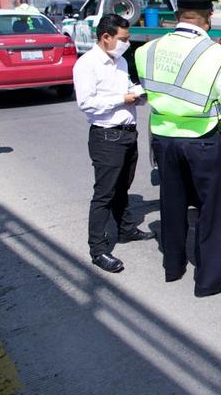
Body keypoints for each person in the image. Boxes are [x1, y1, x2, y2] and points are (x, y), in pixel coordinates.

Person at [135, 0, 221, 297]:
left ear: (176, 15)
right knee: (212, 213)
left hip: (163, 139)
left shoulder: (147, 51)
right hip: (204, 141)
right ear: (208, 17)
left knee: (171, 206)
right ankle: (209, 281)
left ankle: (173, 268)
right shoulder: (219, 57)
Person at [73, 14, 154, 273]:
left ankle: (126, 229)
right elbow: (86, 102)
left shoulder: (119, 61)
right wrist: (123, 98)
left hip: (128, 133)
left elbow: (128, 87)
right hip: (107, 136)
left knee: (123, 187)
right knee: (104, 194)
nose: (126, 44)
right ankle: (98, 250)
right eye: (123, 39)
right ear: (106, 37)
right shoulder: (87, 64)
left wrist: (138, 95)